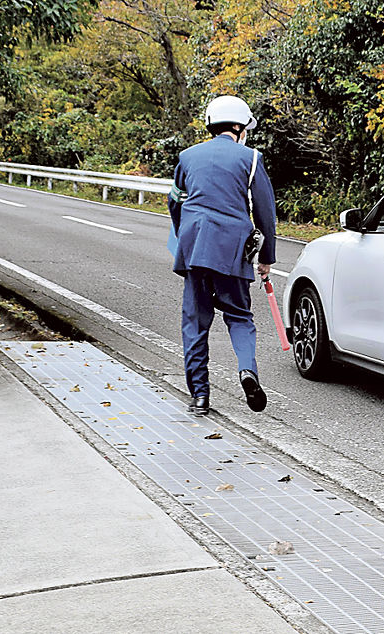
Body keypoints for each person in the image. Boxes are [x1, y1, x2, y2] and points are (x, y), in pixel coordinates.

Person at [168, 95, 277, 417]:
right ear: (239, 126)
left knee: (195, 324)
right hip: (233, 250)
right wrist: (266, 257)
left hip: (195, 249)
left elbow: (175, 203)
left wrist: (185, 235)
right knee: (240, 317)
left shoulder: (187, 157)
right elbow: (265, 212)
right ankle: (247, 371)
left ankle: (200, 397)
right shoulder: (252, 158)